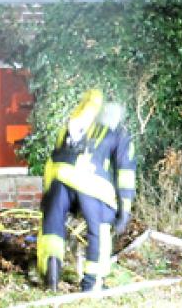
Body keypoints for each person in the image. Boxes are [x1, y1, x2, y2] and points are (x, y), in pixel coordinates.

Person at [37, 89, 137, 292]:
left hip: (58, 177)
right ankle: (92, 283)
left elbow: (54, 157)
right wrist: (124, 209)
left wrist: (48, 194)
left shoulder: (71, 127)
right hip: (92, 182)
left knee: (53, 225)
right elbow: (125, 173)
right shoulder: (118, 134)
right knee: (99, 229)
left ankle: (52, 273)